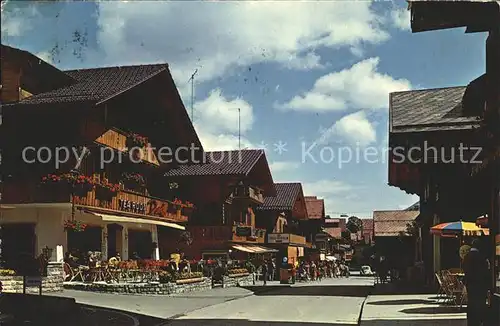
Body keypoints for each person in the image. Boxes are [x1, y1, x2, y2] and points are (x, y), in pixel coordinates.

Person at [463, 239, 490, 326]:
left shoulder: (467, 257)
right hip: (480, 284)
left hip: (470, 284)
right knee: (480, 302)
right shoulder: (482, 257)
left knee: (471, 303)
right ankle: (479, 320)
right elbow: (486, 271)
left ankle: (471, 321)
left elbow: (466, 271)